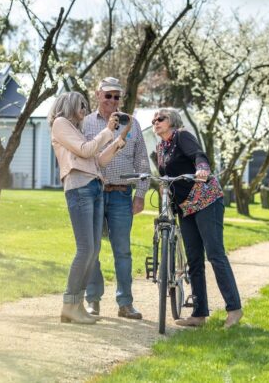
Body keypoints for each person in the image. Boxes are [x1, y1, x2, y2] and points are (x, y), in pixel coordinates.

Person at [152, 107, 243, 328]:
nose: (155, 121)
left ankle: (234, 309)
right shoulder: (160, 148)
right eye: (153, 119)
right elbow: (167, 175)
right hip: (185, 207)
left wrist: (202, 168)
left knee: (214, 253)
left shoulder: (182, 136)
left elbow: (198, 155)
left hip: (205, 200)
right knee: (194, 258)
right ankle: (199, 314)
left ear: (172, 121)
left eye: (160, 118)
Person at [49, 91, 131, 324]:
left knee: (93, 250)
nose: (85, 109)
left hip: (94, 186)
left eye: (86, 105)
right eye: (81, 105)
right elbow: (86, 151)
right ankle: (69, 304)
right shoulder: (60, 123)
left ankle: (77, 304)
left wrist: (118, 139)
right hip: (79, 187)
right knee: (85, 249)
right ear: (69, 105)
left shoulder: (76, 130)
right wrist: (107, 131)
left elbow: (98, 160)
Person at [83, 77, 151, 320]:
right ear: (98, 94)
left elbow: (142, 159)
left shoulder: (132, 124)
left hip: (122, 195)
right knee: (92, 249)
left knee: (122, 251)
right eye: (108, 95)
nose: (112, 100)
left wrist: (141, 194)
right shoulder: (86, 123)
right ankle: (92, 300)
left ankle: (125, 303)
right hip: (93, 192)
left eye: (116, 96)